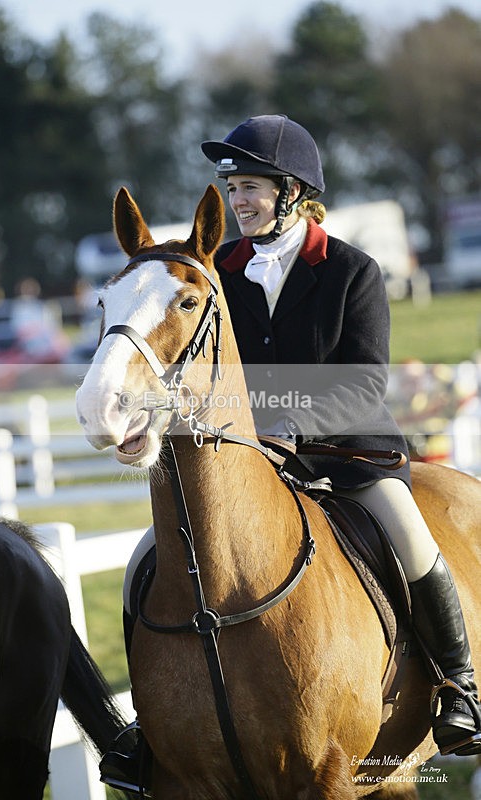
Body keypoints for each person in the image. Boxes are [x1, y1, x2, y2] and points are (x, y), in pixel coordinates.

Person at [99, 113, 481, 792]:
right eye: (233, 187)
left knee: (412, 539)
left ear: (294, 192)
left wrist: (285, 426)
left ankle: (458, 686)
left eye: (251, 187)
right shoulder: (218, 273)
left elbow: (363, 382)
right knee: (145, 562)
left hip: (348, 457)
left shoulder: (350, 270)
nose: (239, 200)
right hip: (247, 459)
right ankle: (146, 725)